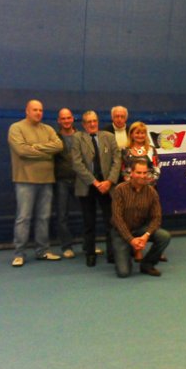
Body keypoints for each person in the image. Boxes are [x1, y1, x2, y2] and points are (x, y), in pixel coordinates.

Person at [8, 100, 64, 266]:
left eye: (40, 110)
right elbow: (21, 151)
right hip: (25, 180)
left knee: (43, 218)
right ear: (27, 111)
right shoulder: (16, 128)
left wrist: (34, 147)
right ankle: (19, 253)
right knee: (23, 218)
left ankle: (43, 251)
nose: (38, 113)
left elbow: (58, 146)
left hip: (46, 180)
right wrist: (46, 151)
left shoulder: (48, 129)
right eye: (35, 110)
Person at [72, 111, 122, 266]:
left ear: (98, 122)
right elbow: (77, 164)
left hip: (107, 186)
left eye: (94, 121)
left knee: (111, 222)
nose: (92, 124)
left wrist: (109, 181)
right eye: (89, 122)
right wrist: (95, 182)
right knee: (89, 222)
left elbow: (117, 160)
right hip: (87, 186)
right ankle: (90, 253)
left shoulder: (109, 137)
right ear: (83, 124)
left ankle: (112, 253)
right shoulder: (78, 138)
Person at [111, 160, 171, 278]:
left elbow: (156, 218)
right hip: (121, 232)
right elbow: (117, 219)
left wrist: (146, 235)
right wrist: (131, 240)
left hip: (140, 230)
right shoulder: (120, 190)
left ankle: (147, 264)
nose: (142, 176)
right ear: (131, 173)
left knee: (164, 236)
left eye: (145, 173)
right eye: (139, 172)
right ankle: (127, 252)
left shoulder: (152, 192)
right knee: (123, 273)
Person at [53, 108, 78, 258]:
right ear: (59, 121)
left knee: (88, 213)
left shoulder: (81, 136)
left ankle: (89, 245)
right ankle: (66, 246)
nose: (66, 121)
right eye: (63, 118)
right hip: (61, 181)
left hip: (80, 181)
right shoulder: (54, 138)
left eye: (68, 118)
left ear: (73, 119)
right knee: (62, 215)